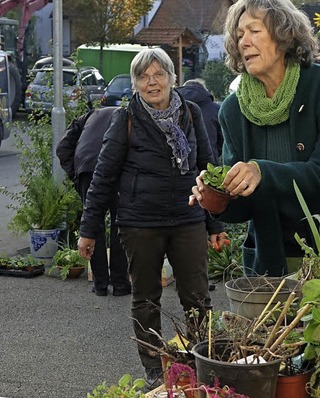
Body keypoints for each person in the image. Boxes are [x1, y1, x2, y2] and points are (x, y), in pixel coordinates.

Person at [190, 0, 320, 277]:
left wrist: (260, 170)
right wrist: (217, 198)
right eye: (239, 35)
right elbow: (244, 204)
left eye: (254, 31)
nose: (244, 42)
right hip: (274, 253)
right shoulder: (233, 109)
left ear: (284, 35)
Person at [76, 48, 225, 390]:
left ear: (173, 78)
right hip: (139, 223)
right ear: (135, 83)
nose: (151, 82)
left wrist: (215, 223)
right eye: (143, 76)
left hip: (187, 218)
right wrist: (89, 230)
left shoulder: (190, 114)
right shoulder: (126, 118)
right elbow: (103, 177)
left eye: (158, 74)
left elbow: (208, 167)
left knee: (198, 297)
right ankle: (155, 369)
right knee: (145, 298)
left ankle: (201, 360)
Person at [56, 106, 130, 297]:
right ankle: (121, 284)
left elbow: (62, 147)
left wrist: (76, 174)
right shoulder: (129, 115)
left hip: (86, 168)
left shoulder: (89, 115)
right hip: (117, 171)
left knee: (93, 225)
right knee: (119, 224)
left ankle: (100, 285)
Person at [176, 78, 223, 162]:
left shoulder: (170, 107)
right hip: (209, 165)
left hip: (179, 164)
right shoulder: (216, 109)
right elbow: (223, 140)